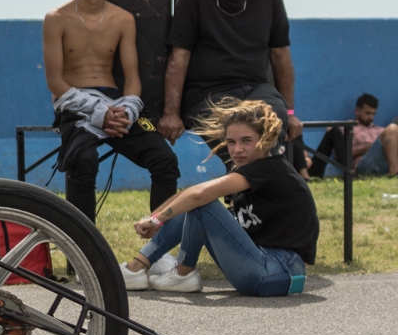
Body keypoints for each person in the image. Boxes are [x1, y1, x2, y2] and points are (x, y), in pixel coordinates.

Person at [42, 0, 180, 228]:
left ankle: (160, 243)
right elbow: (54, 82)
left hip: (116, 106)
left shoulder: (122, 19)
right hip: (75, 106)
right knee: (83, 161)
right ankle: (84, 249)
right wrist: (97, 112)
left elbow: (132, 78)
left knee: (165, 159)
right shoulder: (56, 18)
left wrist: (127, 111)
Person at [120, 99, 318, 296]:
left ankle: (170, 272)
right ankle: (142, 268)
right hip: (266, 269)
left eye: (246, 140)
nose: (237, 149)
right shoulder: (248, 173)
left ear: (265, 139)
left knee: (202, 203)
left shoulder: (270, 168)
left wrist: (156, 220)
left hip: (277, 269)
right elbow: (192, 194)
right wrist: (155, 217)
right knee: (198, 202)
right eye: (231, 142)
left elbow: (199, 195)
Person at [158, 0, 302, 169]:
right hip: (207, 93)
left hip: (257, 89)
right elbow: (179, 56)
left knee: (274, 122)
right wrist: (171, 113)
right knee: (239, 139)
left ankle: (260, 188)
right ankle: (250, 188)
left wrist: (290, 113)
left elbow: (280, 56)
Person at [312, 94, 398, 177]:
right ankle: (394, 172)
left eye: (373, 114)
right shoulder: (347, 128)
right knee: (392, 129)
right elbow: (341, 156)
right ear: (357, 110)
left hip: (385, 161)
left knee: (393, 130)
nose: (371, 117)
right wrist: (369, 148)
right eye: (367, 113)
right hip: (365, 164)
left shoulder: (381, 130)